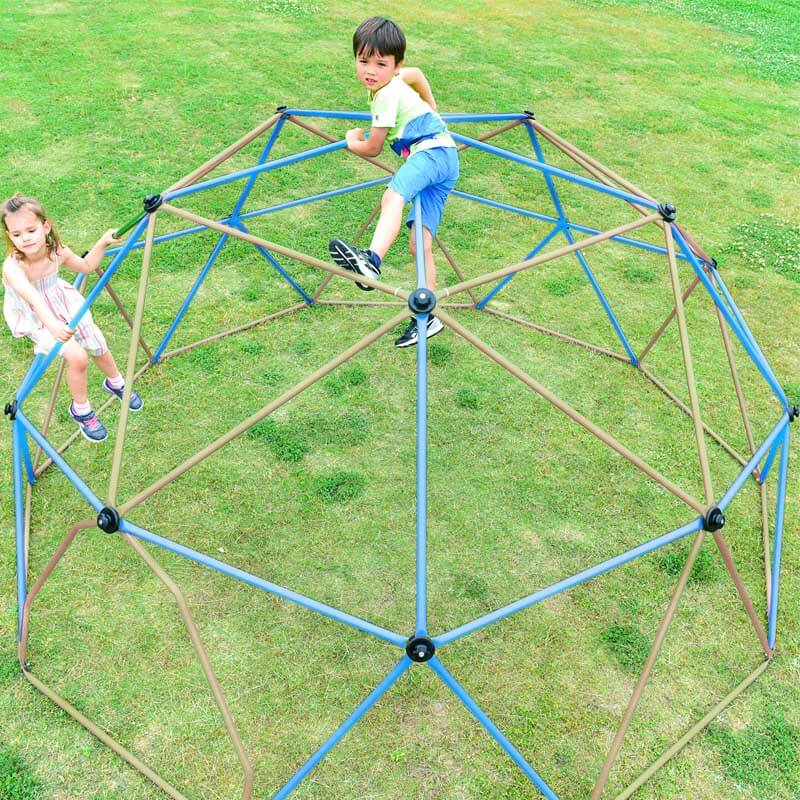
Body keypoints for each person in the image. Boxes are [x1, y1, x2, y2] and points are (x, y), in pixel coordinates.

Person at [328, 16, 459, 348]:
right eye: (363, 61)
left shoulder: (385, 95)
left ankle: (371, 261)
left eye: (381, 64)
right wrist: (430, 104)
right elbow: (417, 75)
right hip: (446, 157)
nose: (371, 71)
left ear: (394, 64)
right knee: (420, 244)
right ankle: (428, 319)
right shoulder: (398, 77)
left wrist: (350, 140)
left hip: (428, 154)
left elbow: (372, 148)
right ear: (355, 58)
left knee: (393, 197)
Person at [2, 194, 143, 443]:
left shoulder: (56, 251)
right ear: (9, 236)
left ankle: (116, 382)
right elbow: (33, 300)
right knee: (77, 356)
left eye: (31, 230)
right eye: (16, 234)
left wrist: (102, 243)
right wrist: (54, 325)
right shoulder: (13, 267)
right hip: (34, 316)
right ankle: (81, 410)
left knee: (96, 341)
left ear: (45, 227)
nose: (25, 238)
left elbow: (87, 266)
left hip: (62, 301)